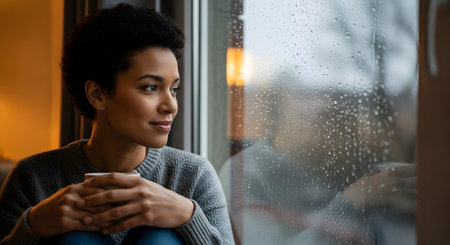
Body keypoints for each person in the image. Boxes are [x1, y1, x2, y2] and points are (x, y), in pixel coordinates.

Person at [0, 4, 234, 245]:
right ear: (97, 94)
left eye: (174, 89)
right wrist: (33, 225)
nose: (171, 105)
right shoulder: (32, 178)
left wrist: (188, 216)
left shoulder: (193, 176)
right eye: (151, 87)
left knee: (159, 238)